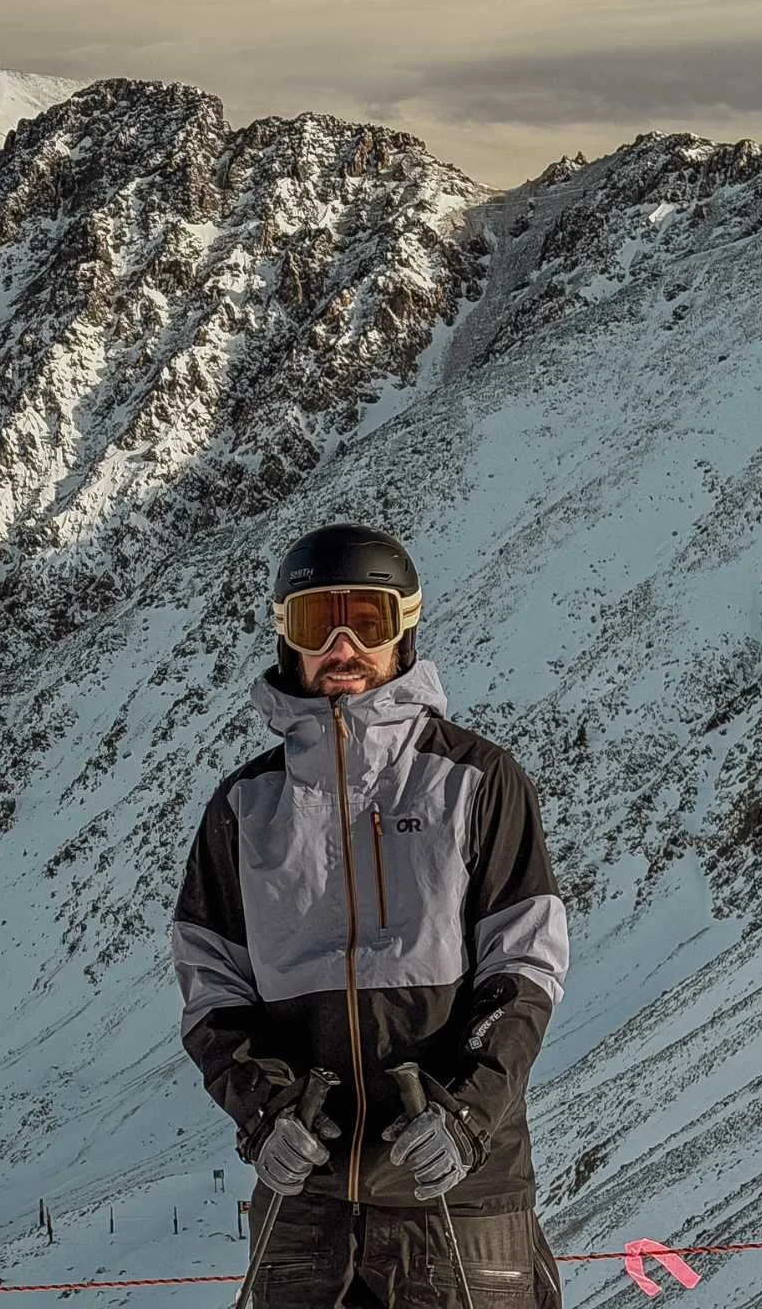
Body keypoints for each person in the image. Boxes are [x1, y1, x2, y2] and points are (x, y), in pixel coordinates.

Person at [172, 524, 570, 1309]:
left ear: (405, 632)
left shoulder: (474, 782)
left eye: (370, 622)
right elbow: (211, 985)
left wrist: (464, 1114)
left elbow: (524, 970)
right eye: (321, 624)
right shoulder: (247, 807)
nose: (344, 647)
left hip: (456, 1191)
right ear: (289, 637)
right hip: (304, 1204)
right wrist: (267, 1111)